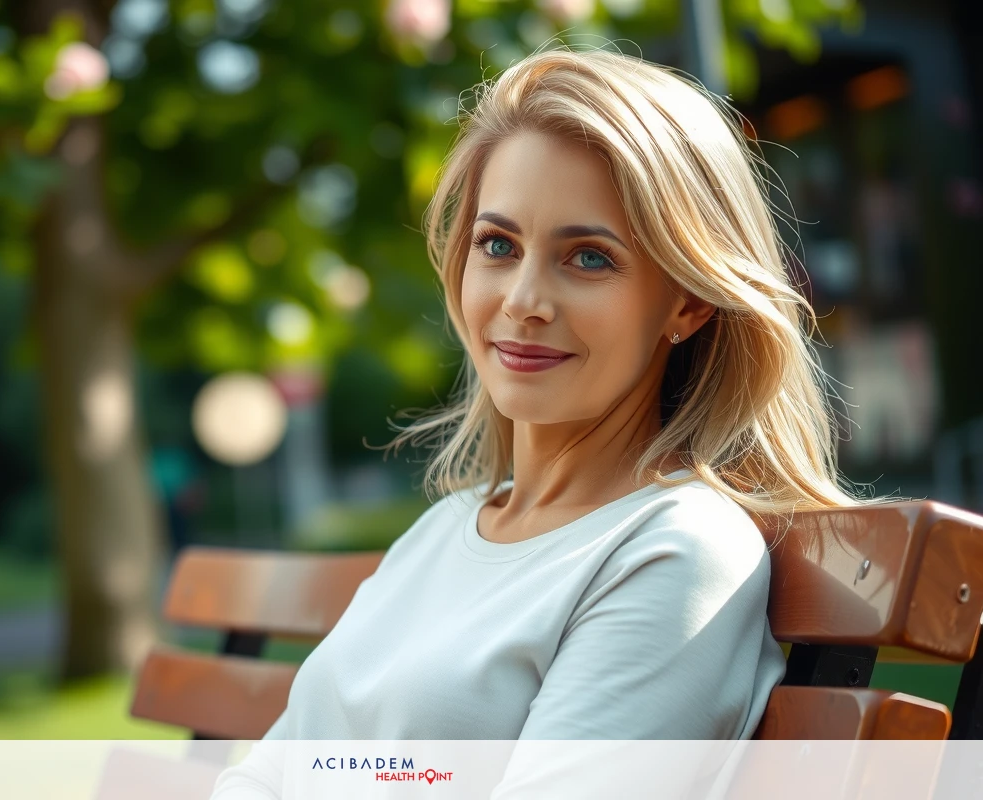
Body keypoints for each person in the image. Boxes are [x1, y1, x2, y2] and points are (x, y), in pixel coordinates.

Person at [210, 45, 881, 797]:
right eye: (498, 245)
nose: (523, 299)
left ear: (688, 302)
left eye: (589, 258)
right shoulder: (443, 531)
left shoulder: (674, 553)